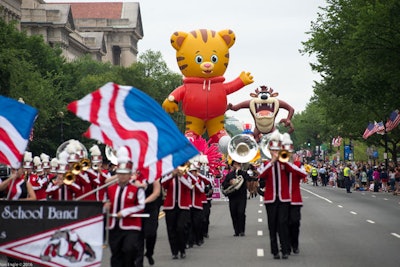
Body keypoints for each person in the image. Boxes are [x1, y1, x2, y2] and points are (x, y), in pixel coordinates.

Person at [104, 146, 145, 267]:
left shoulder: (136, 188)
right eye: (120, 174)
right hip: (114, 226)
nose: (122, 176)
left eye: (125, 174)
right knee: (116, 254)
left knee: (129, 250)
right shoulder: (110, 188)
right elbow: (105, 201)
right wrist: (106, 205)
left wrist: (126, 212)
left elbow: (141, 205)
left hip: (131, 225)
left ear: (129, 175)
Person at [257, 130, 291, 260]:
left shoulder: (284, 163)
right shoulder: (266, 165)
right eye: (274, 150)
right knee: (272, 225)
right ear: (270, 151)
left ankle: (285, 248)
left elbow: (293, 170)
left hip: (283, 199)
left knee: (283, 223)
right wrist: (272, 162)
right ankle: (275, 251)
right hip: (270, 199)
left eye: (278, 150)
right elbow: (261, 174)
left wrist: (284, 159)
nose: (276, 153)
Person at [161, 166, 193, 260]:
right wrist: (172, 175)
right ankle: (174, 252)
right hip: (170, 206)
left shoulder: (186, 176)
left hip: (183, 207)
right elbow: (163, 184)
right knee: (171, 230)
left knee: (181, 227)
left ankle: (182, 249)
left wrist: (181, 176)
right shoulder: (168, 176)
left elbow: (189, 186)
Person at [134, 173, 162, 266]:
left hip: (150, 208)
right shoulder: (132, 176)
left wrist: (144, 202)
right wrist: (133, 181)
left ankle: (149, 253)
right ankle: (139, 262)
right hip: (136, 210)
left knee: (150, 233)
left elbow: (156, 192)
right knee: (138, 237)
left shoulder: (152, 175)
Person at [221, 159, 250, 237]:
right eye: (235, 164)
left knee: (241, 213)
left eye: (238, 164)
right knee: (233, 214)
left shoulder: (244, 173)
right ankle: (236, 231)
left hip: (242, 197)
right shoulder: (229, 175)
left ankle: (242, 230)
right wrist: (230, 182)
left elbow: (248, 179)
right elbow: (224, 184)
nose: (237, 165)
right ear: (232, 165)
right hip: (232, 197)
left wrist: (241, 171)